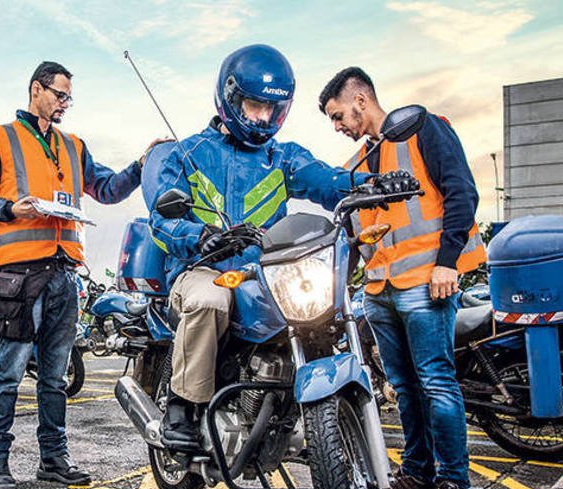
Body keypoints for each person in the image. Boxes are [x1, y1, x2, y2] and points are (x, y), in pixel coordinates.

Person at [149, 45, 411, 458]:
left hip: (262, 272)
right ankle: (183, 408)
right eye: (255, 106)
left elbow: (324, 179)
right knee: (210, 300)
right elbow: (161, 220)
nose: (263, 119)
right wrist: (201, 236)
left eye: (274, 110)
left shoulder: (281, 157)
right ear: (231, 98)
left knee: (320, 308)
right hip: (202, 267)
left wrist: (369, 184)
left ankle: (301, 416)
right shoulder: (189, 155)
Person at [0, 61, 162, 489]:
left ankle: (54, 461)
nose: (64, 103)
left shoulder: (73, 146)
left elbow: (107, 189)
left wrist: (141, 164)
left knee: (55, 378)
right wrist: (10, 208)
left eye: (69, 97)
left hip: (63, 274)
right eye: (59, 94)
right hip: (20, 274)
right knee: (9, 374)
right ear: (36, 89)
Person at [319, 66, 486, 489]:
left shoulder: (423, 129)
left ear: (360, 100)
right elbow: (356, 235)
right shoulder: (359, 162)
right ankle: (418, 472)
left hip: (425, 282)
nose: (337, 126)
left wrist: (447, 262)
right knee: (404, 387)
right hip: (380, 290)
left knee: (436, 383)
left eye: (338, 115)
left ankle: (454, 487)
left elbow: (461, 193)